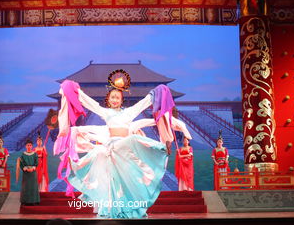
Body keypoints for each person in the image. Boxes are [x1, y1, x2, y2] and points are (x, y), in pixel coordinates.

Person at [54, 69, 192, 218]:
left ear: (122, 100)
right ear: (108, 99)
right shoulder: (105, 112)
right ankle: (113, 209)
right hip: (112, 149)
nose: (114, 100)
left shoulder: (129, 113)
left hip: (125, 151)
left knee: (126, 183)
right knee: (113, 182)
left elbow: (144, 106)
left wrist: (156, 93)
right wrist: (73, 90)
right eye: (112, 97)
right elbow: (89, 103)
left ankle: (130, 208)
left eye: (117, 97)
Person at [16, 139, 40, 206]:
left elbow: (36, 163)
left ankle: (34, 201)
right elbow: (21, 163)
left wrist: (32, 168)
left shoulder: (35, 154)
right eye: (27, 145)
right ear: (25, 146)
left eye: (30, 145)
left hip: (33, 173)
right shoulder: (23, 154)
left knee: (33, 186)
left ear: (32, 146)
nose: (29, 146)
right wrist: (26, 168)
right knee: (25, 187)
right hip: (26, 173)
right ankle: (25, 201)